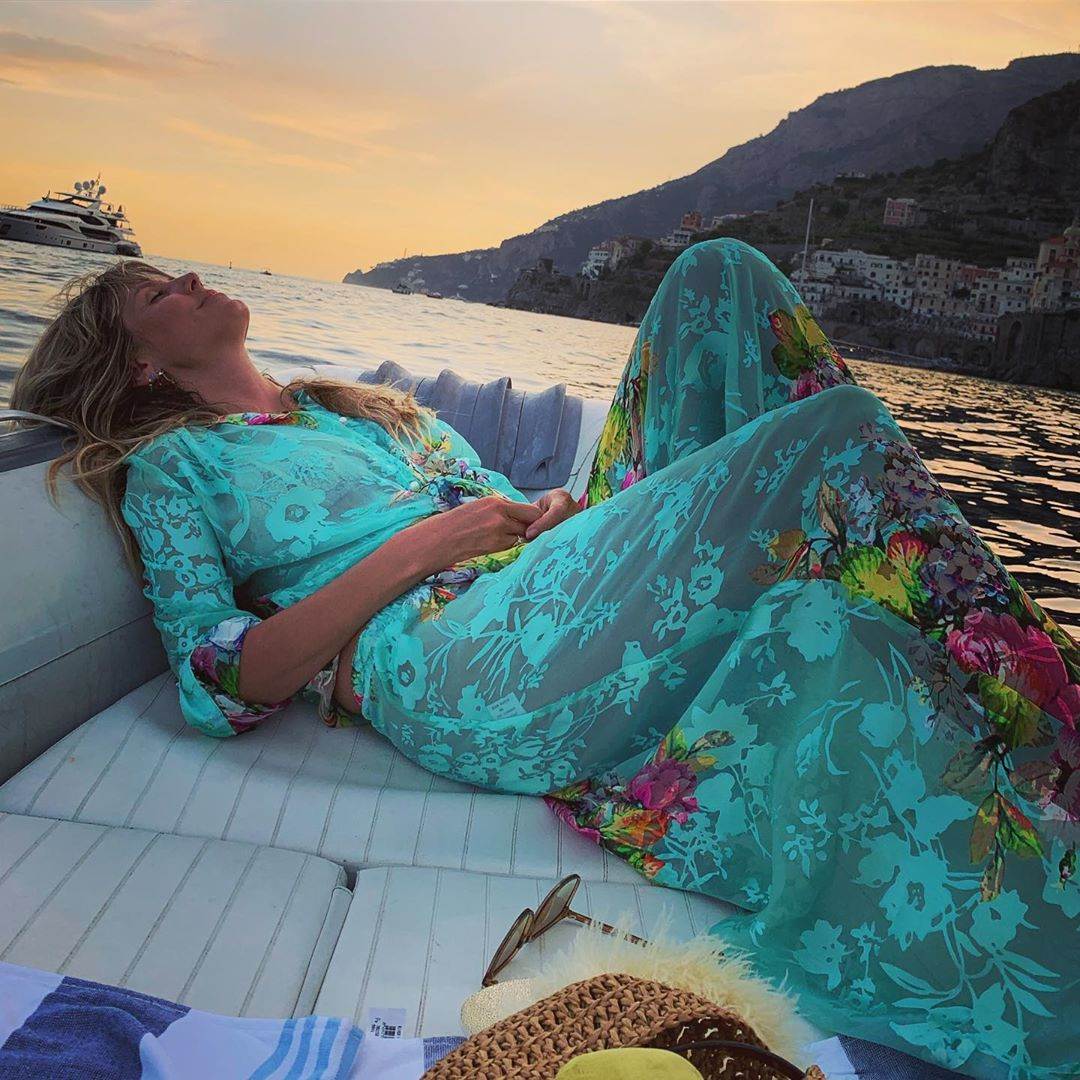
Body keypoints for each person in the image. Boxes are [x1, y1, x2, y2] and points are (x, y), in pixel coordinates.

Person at [13, 239, 1077, 1078]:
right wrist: (428, 545)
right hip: (444, 657)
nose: (189, 281)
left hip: (537, 587)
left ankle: (990, 701)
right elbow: (221, 683)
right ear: (139, 360)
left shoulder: (364, 410)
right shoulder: (177, 467)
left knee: (721, 276)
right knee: (831, 438)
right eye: (156, 294)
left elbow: (499, 511)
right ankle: (1050, 736)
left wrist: (552, 513)